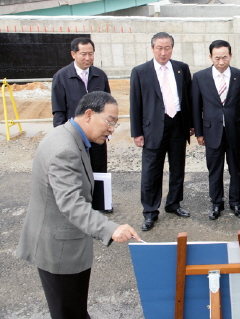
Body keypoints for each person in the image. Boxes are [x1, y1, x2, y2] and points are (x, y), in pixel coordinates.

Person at [17, 91, 141, 319]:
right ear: (89, 114)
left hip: (58, 242)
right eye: (110, 121)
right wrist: (111, 228)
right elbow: (72, 204)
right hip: (59, 252)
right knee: (69, 313)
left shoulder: (67, 135)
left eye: (115, 123)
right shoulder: (65, 149)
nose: (112, 129)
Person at [130, 32, 193, 231]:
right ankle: (150, 212)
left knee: (177, 169)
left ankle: (174, 203)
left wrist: (191, 124)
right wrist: (137, 132)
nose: (163, 52)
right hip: (152, 128)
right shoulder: (140, 71)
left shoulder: (182, 69)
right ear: (152, 48)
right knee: (151, 173)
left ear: (172, 48)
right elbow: (135, 103)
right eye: (159, 48)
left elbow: (188, 99)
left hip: (177, 125)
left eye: (167, 48)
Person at [51, 37, 113, 212]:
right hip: (74, 136)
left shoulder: (100, 75)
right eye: (83, 54)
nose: (88, 58)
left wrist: (107, 127)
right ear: (73, 54)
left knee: (99, 168)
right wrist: (60, 137)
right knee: (76, 170)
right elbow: (58, 111)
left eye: (91, 54)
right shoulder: (61, 77)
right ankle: (79, 206)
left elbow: (108, 105)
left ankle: (100, 203)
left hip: (98, 134)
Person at [191, 40, 240, 220]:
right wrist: (199, 133)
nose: (221, 61)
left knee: (235, 169)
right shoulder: (201, 77)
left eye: (225, 57)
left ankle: (236, 202)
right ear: (211, 57)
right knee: (214, 170)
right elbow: (196, 107)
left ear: (230, 56)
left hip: (235, 130)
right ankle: (216, 203)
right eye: (217, 57)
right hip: (211, 131)